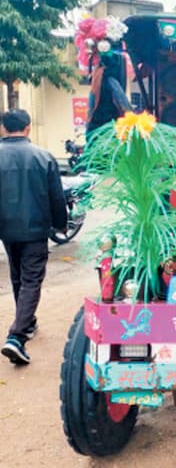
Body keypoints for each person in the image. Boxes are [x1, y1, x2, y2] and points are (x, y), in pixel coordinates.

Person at [0, 109, 67, 364]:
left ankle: (26, 322)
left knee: (18, 276)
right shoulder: (44, 157)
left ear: (4, 128)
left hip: (7, 230)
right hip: (36, 229)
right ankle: (16, 336)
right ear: (28, 127)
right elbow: (57, 197)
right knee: (31, 280)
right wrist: (60, 224)